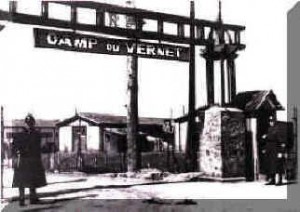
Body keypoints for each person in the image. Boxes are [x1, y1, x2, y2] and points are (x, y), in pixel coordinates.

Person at [12, 114, 47, 206]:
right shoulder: (19, 134)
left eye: (31, 123)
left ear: (33, 124)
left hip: (32, 159)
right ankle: (21, 199)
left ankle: (33, 198)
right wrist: (16, 155)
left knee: (32, 180)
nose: (29, 125)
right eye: (28, 123)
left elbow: (39, 147)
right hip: (23, 159)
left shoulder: (36, 134)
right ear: (25, 123)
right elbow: (14, 147)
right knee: (21, 181)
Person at [264, 116, 285, 185]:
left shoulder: (278, 130)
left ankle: (280, 180)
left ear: (274, 122)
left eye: (272, 121)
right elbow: (268, 140)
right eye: (270, 121)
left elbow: (281, 142)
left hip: (276, 150)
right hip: (270, 150)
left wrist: (280, 152)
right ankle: (272, 180)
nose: (271, 122)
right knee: (271, 165)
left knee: (278, 166)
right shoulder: (269, 129)